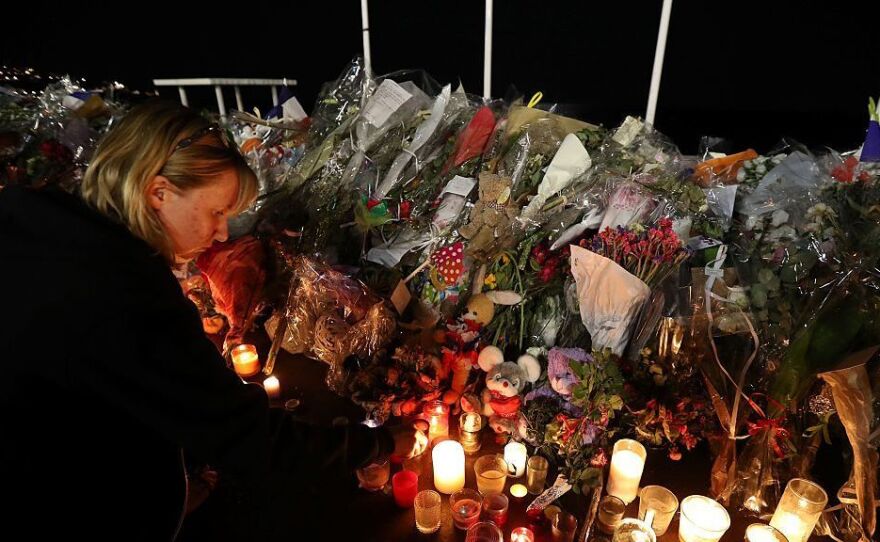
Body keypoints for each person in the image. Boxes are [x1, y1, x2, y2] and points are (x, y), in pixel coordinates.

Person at [0, 100, 417, 541]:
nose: (222, 233)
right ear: (158, 192)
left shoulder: (38, 221)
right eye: (216, 212)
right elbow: (245, 437)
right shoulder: (123, 294)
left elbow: (117, 388)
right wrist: (378, 444)